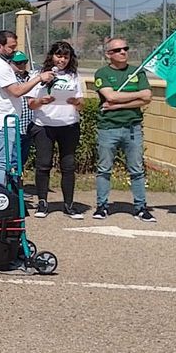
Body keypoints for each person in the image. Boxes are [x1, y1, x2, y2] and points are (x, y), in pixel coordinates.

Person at [0, 31, 54, 184]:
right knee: (0, 163)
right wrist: (39, 78)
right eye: (11, 47)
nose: (14, 50)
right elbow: (17, 91)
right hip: (1, 122)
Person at [93, 37, 154, 222]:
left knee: (136, 170)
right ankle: (102, 206)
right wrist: (135, 96)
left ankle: (140, 207)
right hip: (108, 128)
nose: (123, 52)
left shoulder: (138, 72)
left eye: (125, 49)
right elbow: (110, 95)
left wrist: (118, 104)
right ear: (108, 54)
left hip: (132, 127)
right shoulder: (101, 73)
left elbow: (147, 97)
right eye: (117, 50)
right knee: (104, 169)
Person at [27, 42, 84, 219]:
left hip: (68, 125)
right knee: (43, 165)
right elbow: (31, 103)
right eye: (59, 56)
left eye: (66, 57)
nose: (62, 60)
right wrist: (42, 102)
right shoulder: (39, 75)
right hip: (44, 125)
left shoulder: (74, 76)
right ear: (52, 56)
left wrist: (75, 102)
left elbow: (82, 103)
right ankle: (43, 203)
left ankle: (69, 205)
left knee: (68, 166)